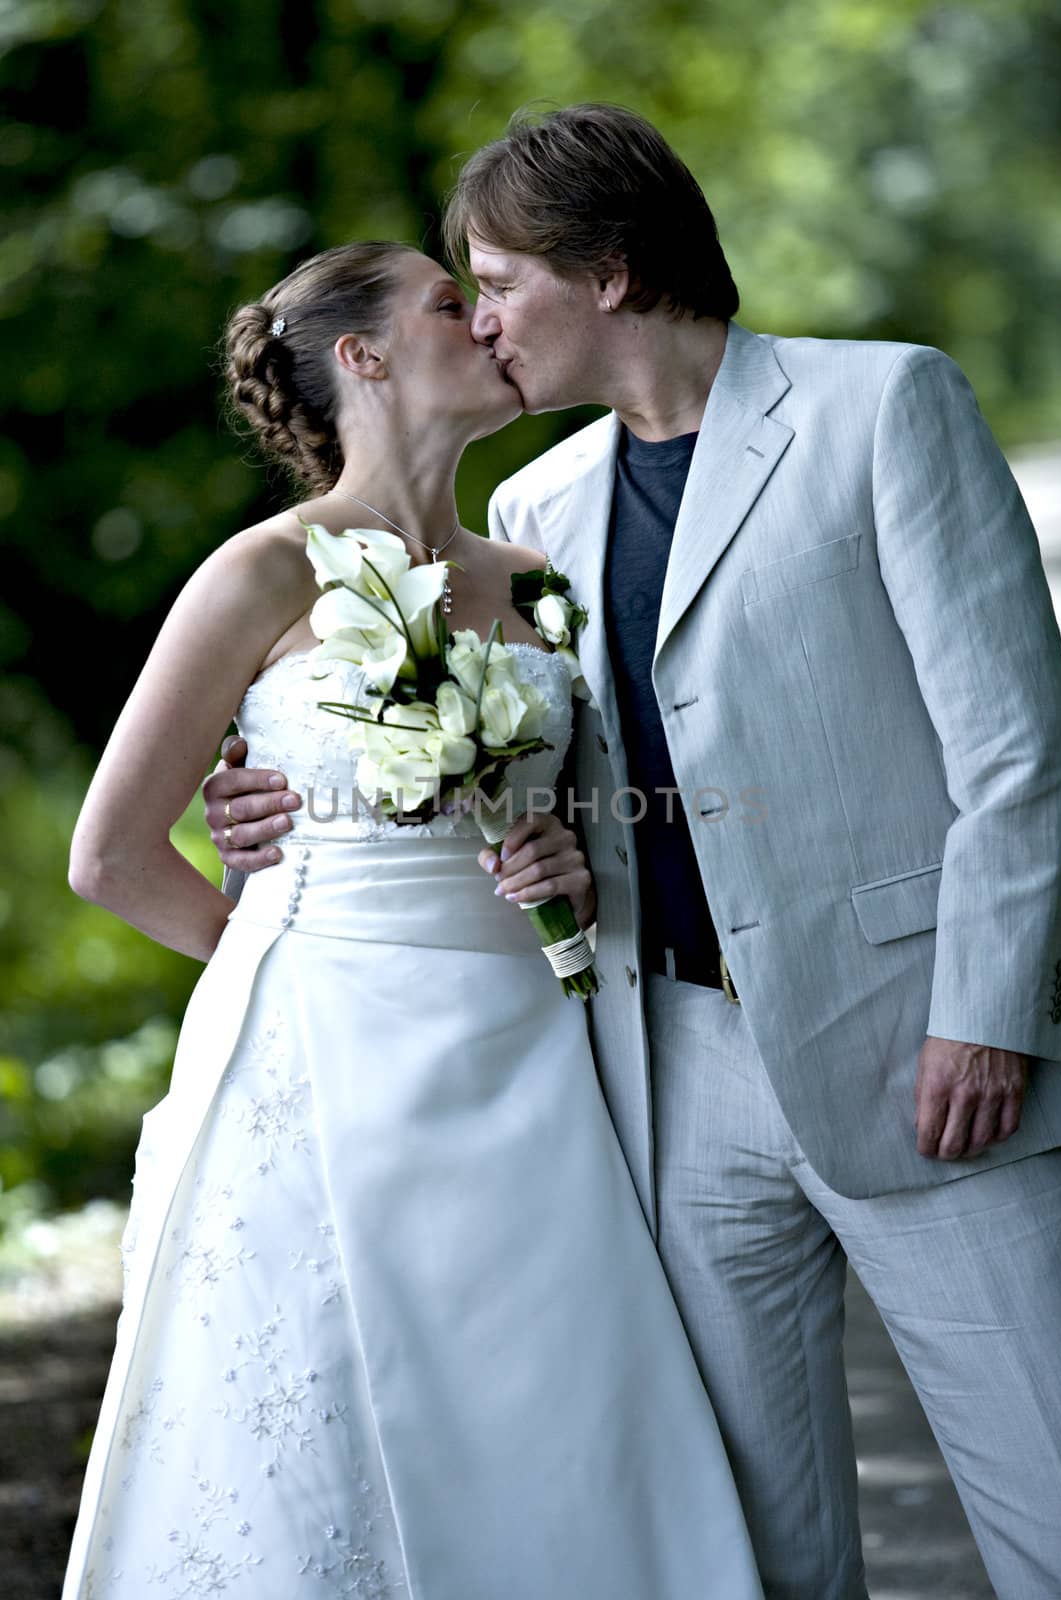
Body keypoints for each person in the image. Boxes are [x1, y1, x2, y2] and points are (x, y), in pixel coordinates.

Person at [211, 107, 1061, 1599]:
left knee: (1053, 1503)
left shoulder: (886, 405)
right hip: (668, 1080)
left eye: (497, 278)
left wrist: (985, 1011)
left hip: (923, 1052)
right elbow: (563, 783)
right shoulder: (540, 511)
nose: (478, 321)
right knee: (760, 1548)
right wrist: (286, 795)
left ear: (607, 273)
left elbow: (1017, 747)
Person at [63, 240, 764, 1599]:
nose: (490, 322)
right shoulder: (263, 575)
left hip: (530, 1053)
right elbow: (109, 853)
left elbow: (594, 811)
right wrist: (288, 937)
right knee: (321, 1409)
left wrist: (570, 861)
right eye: (454, 304)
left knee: (543, 1406)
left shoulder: (537, 572)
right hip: (324, 1053)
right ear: (363, 358)